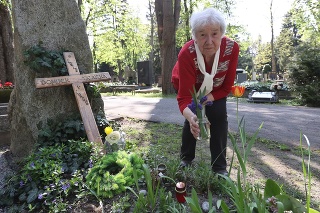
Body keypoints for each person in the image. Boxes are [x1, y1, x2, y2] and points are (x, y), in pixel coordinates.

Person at [171, 7, 239, 176]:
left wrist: (207, 98)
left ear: (221, 33)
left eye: (214, 34)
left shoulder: (232, 49)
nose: (209, 41)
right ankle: (186, 158)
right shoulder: (187, 53)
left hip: (217, 89)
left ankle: (219, 167)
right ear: (195, 36)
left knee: (219, 116)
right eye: (202, 34)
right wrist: (193, 114)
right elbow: (185, 98)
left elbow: (226, 87)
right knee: (193, 116)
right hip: (189, 88)